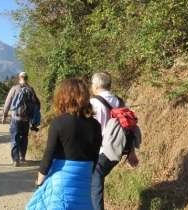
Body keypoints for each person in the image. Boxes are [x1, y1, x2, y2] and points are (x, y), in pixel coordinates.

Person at [26, 78, 102, 210]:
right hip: (84, 180)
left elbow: (49, 154)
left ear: (63, 97)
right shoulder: (95, 125)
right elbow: (95, 157)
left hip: (62, 180)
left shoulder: (58, 123)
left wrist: (40, 180)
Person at [90, 72, 139, 210]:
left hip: (99, 153)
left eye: (92, 84)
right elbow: (129, 128)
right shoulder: (120, 102)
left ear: (96, 86)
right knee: (93, 185)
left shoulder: (92, 103)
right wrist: (131, 152)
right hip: (116, 153)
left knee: (95, 190)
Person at [2, 72, 39, 167]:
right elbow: (37, 104)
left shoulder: (14, 89)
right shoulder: (31, 89)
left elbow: (7, 103)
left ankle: (16, 160)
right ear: (27, 79)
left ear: (19, 79)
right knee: (24, 137)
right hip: (26, 119)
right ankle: (22, 155)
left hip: (16, 118)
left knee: (15, 138)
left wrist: (4, 115)